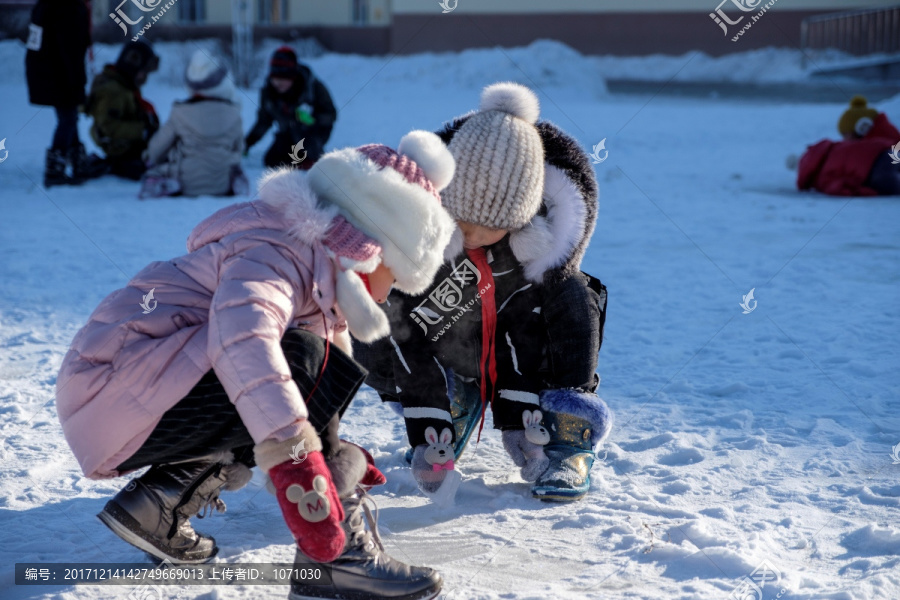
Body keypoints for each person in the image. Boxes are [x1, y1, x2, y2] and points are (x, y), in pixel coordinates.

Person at [55, 130, 457, 600]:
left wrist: (328, 455)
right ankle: (336, 558)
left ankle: (161, 501)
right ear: (373, 247)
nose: (394, 294)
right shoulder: (278, 251)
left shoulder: (311, 271)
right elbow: (242, 341)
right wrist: (300, 461)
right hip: (115, 394)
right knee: (302, 359)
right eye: (399, 274)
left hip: (132, 394)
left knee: (301, 371)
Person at [354, 83, 612, 502]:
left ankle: (565, 437)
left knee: (577, 295)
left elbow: (525, 339)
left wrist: (517, 417)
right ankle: (454, 403)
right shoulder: (433, 247)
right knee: (373, 317)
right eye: (459, 218)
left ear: (519, 216)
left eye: (484, 223)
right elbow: (408, 336)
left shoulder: (538, 258)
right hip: (451, 356)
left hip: (528, 369)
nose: (467, 233)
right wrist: (428, 423)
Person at [139, 50, 246, 198]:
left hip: (186, 182)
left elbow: (156, 149)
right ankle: (236, 181)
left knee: (157, 168)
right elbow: (238, 149)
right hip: (221, 183)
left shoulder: (180, 112)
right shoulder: (234, 114)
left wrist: (149, 157)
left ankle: (160, 182)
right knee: (230, 161)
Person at [25, 0, 103, 187]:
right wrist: (76, 80)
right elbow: (70, 47)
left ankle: (77, 163)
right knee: (68, 117)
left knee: (69, 115)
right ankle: (56, 168)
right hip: (60, 72)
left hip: (46, 69)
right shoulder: (68, 7)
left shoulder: (47, 5)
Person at [244, 46, 336, 169]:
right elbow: (264, 121)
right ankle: (300, 162)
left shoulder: (313, 88)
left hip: (312, 133)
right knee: (271, 161)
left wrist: (313, 119)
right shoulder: (269, 93)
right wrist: (247, 143)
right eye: (275, 78)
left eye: (283, 79)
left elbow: (331, 114)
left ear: (293, 77)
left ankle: (314, 160)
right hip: (287, 132)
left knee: (308, 151)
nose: (278, 83)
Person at [797, 95, 900, 197]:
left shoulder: (880, 143)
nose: (844, 140)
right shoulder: (877, 143)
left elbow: (838, 184)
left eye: (846, 134)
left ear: (862, 128)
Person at [86, 40, 159, 180]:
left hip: (128, 146)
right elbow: (107, 128)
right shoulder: (114, 91)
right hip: (120, 148)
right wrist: (143, 130)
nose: (144, 78)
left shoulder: (125, 86)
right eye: (143, 72)